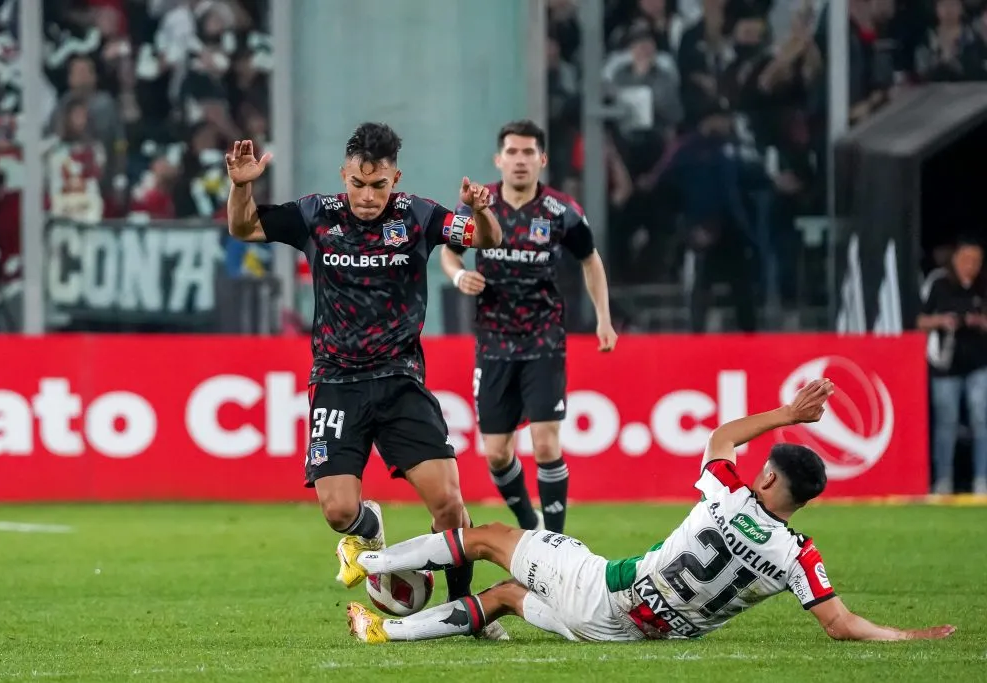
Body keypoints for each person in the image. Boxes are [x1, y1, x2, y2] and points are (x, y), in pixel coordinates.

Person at [336, 379, 956, 644]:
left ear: (766, 475)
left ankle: (368, 560)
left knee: (488, 536)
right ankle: (381, 630)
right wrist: (911, 636)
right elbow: (841, 625)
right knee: (501, 596)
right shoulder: (798, 556)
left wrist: (788, 414)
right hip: (632, 634)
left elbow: (721, 436)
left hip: (603, 593)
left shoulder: (728, 495)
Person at [225, 122, 509, 639]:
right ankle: (369, 528)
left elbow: (483, 238)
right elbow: (244, 230)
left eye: (379, 185)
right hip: (336, 381)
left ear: (394, 179)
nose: (368, 196)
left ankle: (464, 610)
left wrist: (482, 209)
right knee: (337, 511)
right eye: (359, 183)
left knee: (448, 501)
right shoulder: (317, 215)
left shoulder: (418, 216)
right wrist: (242, 186)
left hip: (400, 379)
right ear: (345, 175)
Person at [440, 119, 618, 534]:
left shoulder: (562, 212)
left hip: (544, 339)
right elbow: (449, 253)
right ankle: (528, 523)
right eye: (512, 153)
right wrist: (458, 276)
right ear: (499, 160)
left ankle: (555, 541)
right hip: (493, 341)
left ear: (542, 159)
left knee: (545, 443)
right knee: (498, 454)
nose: (520, 161)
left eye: (528, 153)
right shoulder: (477, 206)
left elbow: (590, 260)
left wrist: (604, 319)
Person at [918, 236, 987, 495]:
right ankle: (943, 481)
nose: (971, 265)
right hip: (945, 366)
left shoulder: (982, 284)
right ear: (955, 260)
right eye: (966, 260)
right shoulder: (939, 282)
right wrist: (943, 321)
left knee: (982, 419)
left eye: (977, 261)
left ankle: (981, 480)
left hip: (979, 363)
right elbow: (919, 320)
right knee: (947, 422)